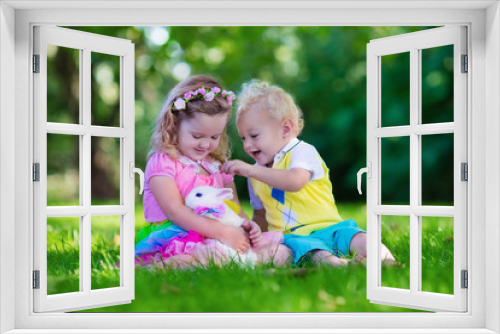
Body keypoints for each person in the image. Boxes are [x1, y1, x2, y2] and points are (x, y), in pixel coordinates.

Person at [222, 80, 396, 267]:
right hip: (294, 237)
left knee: (359, 238)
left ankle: (384, 259)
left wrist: (250, 170)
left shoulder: (301, 151)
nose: (247, 145)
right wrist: (253, 233)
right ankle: (343, 266)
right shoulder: (255, 174)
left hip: (331, 227)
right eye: (243, 138)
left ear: (286, 129)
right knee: (313, 254)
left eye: (254, 136)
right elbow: (261, 214)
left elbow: (295, 181)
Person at [135, 75, 288, 268]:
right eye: (197, 136)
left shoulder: (217, 166)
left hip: (220, 238)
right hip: (179, 236)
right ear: (173, 125)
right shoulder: (163, 162)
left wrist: (248, 228)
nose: (206, 144)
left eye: (215, 136)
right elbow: (175, 211)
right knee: (206, 256)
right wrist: (222, 232)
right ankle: (157, 267)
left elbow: (235, 210)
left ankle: (242, 260)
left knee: (281, 251)